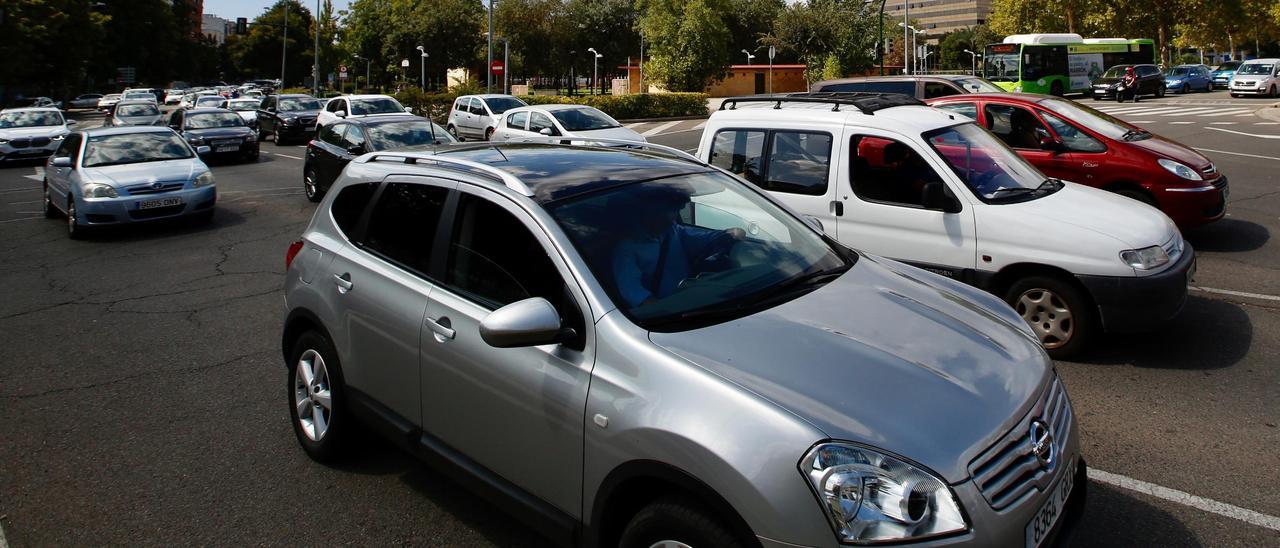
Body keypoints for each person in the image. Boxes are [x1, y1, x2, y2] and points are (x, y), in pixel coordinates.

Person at [612, 186, 745, 308]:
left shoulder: (673, 231)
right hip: (670, 312)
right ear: (650, 211)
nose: (673, 216)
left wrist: (729, 234)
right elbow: (633, 292)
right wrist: (665, 310)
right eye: (669, 210)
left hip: (694, 298)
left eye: (676, 210)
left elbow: (701, 239)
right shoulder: (627, 249)